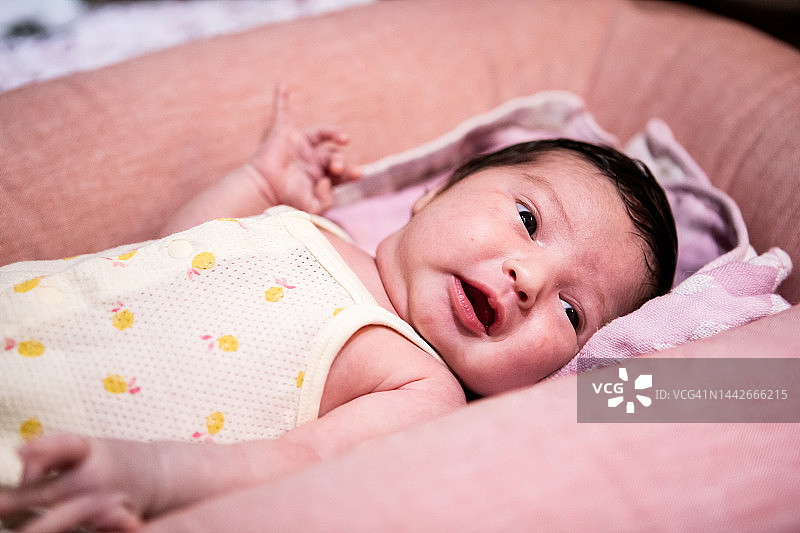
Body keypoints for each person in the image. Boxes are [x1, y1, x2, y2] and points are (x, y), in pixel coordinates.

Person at [0, 85, 677, 532]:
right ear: (436, 190)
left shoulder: (423, 386)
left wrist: (151, 476)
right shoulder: (313, 227)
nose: (529, 277)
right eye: (528, 219)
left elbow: (302, 459)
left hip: (62, 454)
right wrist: (258, 183)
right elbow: (175, 251)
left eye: (572, 312)